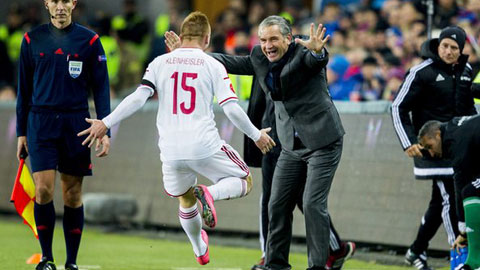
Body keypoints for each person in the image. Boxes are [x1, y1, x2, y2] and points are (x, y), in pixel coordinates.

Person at [78, 11, 275, 266]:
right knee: (243, 180)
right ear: (206, 39)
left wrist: (106, 122)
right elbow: (231, 108)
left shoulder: (160, 62)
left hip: (170, 150)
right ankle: (210, 194)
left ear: (180, 37)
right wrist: (256, 134)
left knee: (185, 198)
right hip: (204, 145)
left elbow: (139, 98)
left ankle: (198, 247)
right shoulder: (212, 64)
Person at [167, 15, 355, 270]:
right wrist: (189, 54)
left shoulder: (303, 53)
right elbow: (228, 61)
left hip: (322, 142)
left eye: (274, 39)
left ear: (288, 39)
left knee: (312, 203)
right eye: (264, 40)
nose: (268, 45)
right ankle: (275, 264)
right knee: (276, 203)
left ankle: (318, 266)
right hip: (289, 144)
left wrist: (320, 52)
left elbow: (316, 61)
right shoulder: (259, 56)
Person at [16, 0, 111, 270]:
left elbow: (101, 88)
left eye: (65, 1)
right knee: (43, 189)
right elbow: (23, 89)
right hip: (41, 122)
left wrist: (105, 128)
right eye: (54, 1)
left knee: (72, 193)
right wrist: (21, 132)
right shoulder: (31, 40)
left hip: (76, 123)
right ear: (47, 4)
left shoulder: (90, 41)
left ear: (73, 4)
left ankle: (72, 262)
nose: (60, 6)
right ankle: (47, 258)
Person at [391, 25, 477, 270]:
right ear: (437, 45)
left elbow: (469, 109)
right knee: (451, 198)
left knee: (439, 202)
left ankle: (416, 251)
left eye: (454, 47)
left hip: (459, 147)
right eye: (444, 46)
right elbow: (397, 107)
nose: (448, 51)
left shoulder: (467, 70)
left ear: (462, 50)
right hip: (431, 148)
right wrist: (408, 142)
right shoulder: (421, 72)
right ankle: (459, 256)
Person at [417, 116, 480, 270]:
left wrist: (463, 229)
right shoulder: (455, 125)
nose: (431, 153)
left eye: (430, 146)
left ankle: (475, 261)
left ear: (438, 135)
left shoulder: (456, 143)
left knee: (470, 191)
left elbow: (460, 181)